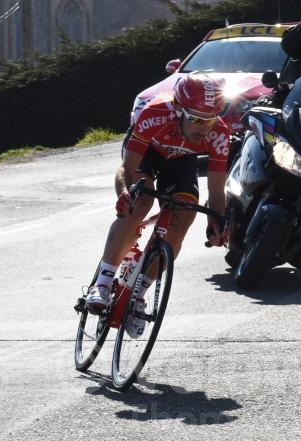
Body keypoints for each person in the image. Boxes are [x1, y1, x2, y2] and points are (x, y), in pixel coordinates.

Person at [86, 73, 229, 334]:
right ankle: (103, 282)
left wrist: (217, 221)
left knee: (184, 216)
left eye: (209, 120)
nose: (203, 127)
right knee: (140, 202)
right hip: (147, 153)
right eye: (196, 119)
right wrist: (124, 194)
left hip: (181, 162)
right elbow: (127, 168)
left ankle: (138, 294)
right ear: (178, 110)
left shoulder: (219, 133)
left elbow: (217, 190)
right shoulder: (155, 113)